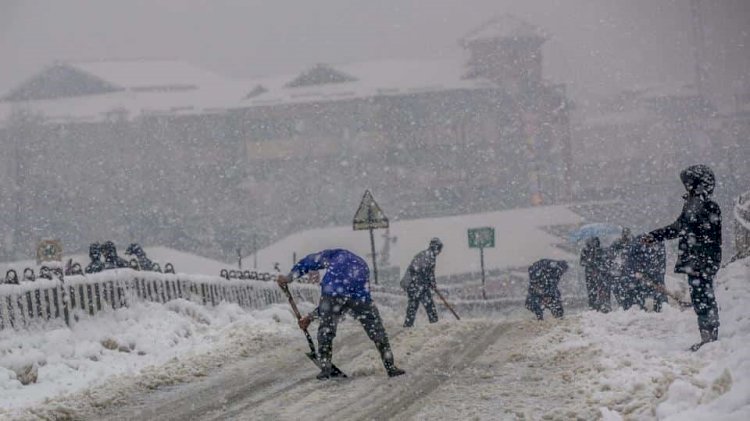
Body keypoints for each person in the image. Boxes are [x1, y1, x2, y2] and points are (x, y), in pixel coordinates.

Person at [276, 248, 405, 379]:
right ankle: (390, 367)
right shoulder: (362, 266)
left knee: (326, 330)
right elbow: (347, 299)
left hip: (333, 291)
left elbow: (309, 262)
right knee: (376, 330)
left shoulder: (334, 255)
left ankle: (325, 369)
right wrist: (310, 317)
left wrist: (289, 277)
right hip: (360, 297)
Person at [643, 164, 722, 351]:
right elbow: (680, 226)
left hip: (701, 261)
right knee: (700, 297)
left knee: (704, 298)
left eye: (688, 182)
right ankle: (707, 337)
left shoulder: (705, 205)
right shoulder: (695, 203)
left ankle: (710, 339)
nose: (686, 186)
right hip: (698, 260)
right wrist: (656, 235)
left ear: (697, 183)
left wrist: (658, 235)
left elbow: (683, 228)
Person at [400, 237, 443, 327]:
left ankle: (408, 325)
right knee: (429, 306)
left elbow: (417, 270)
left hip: (413, 285)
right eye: (440, 249)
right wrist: (432, 284)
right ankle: (435, 323)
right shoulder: (430, 256)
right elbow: (428, 273)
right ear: (436, 248)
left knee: (412, 306)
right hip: (419, 285)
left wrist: (431, 283)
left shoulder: (422, 254)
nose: (440, 252)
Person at [628, 236, 667, 312]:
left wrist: (660, 277)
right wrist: (636, 271)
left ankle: (661, 307)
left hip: (655, 272)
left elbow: (662, 262)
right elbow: (631, 259)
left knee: (659, 289)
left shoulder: (659, 245)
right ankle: (638, 308)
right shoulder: (636, 245)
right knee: (637, 289)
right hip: (641, 272)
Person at [609, 227, 637, 309]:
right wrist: (616, 259)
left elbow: (638, 255)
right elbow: (611, 252)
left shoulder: (634, 242)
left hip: (631, 269)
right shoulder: (618, 242)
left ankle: (631, 305)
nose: (625, 236)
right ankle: (623, 304)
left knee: (631, 288)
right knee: (617, 288)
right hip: (620, 269)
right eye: (624, 234)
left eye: (626, 234)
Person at [580, 237, 609, 312]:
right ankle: (592, 306)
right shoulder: (585, 250)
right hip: (589, 274)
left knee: (602, 289)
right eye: (592, 242)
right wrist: (589, 262)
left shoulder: (601, 250)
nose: (593, 243)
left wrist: (599, 264)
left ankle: (603, 305)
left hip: (600, 273)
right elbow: (582, 262)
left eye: (595, 242)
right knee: (591, 291)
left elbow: (605, 261)